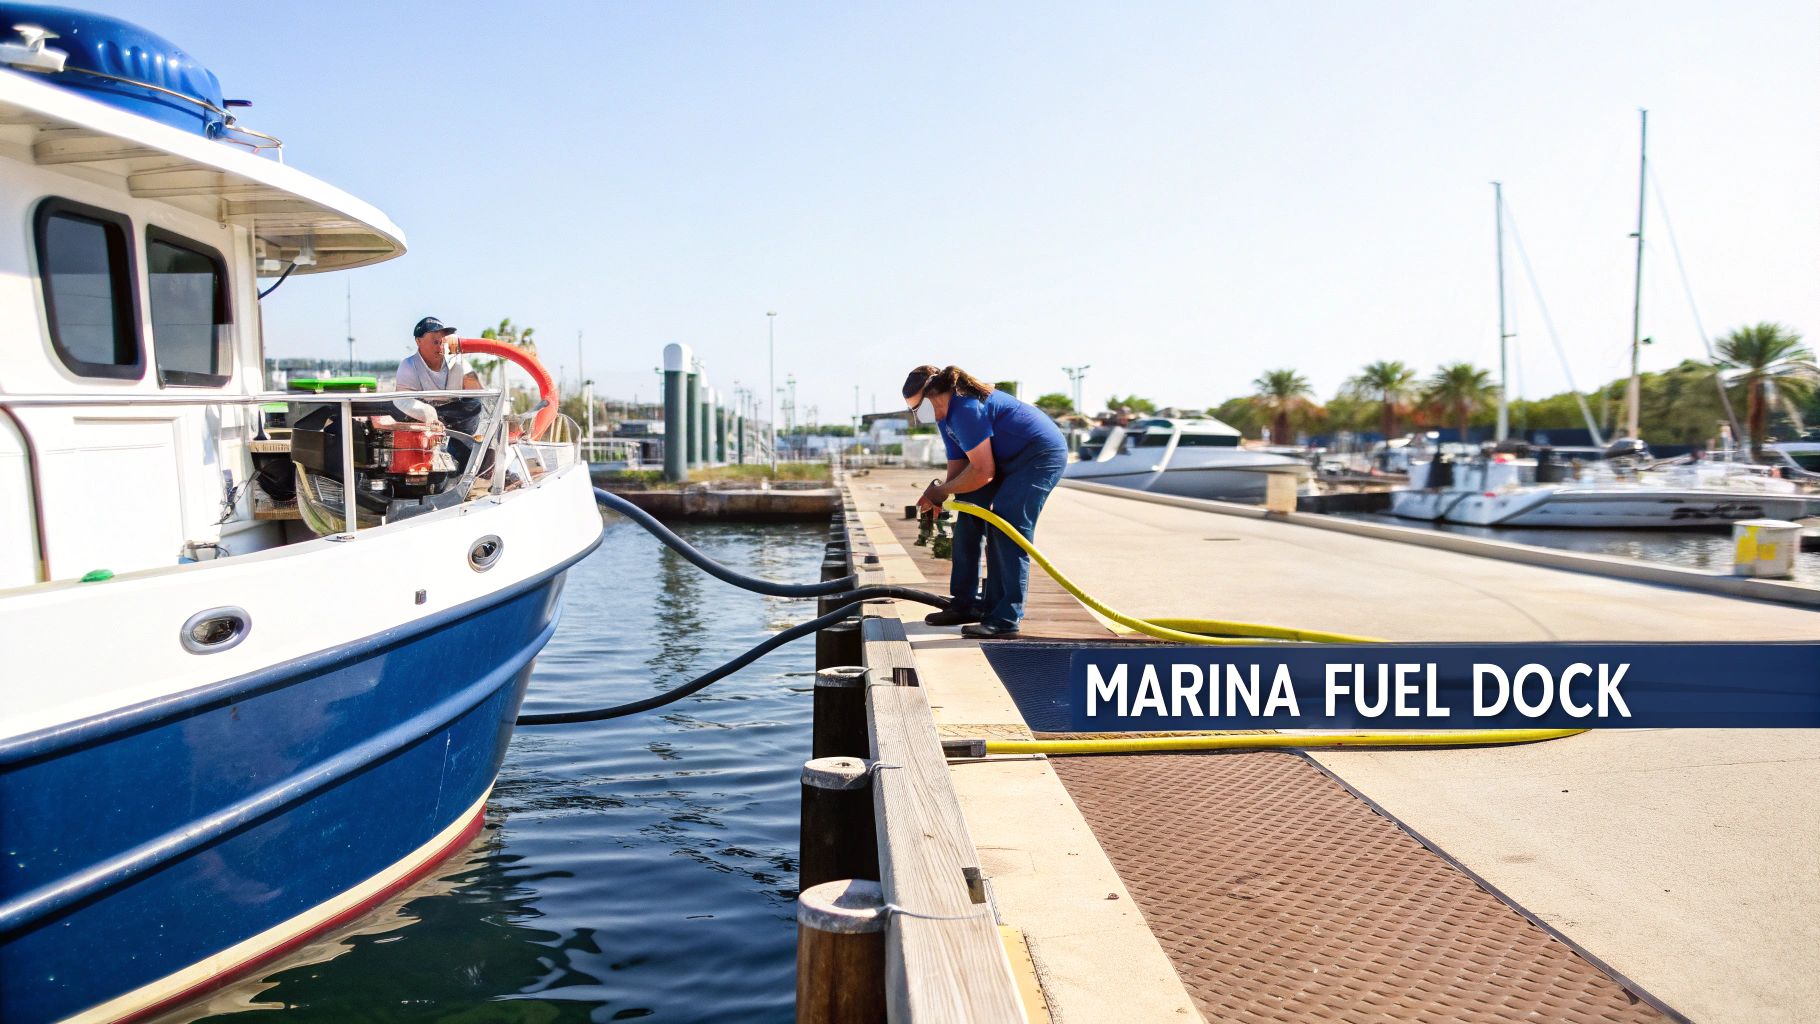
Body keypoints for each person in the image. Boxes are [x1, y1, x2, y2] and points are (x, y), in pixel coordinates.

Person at [904, 364, 1069, 639]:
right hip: (1001, 458)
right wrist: (942, 494)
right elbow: (958, 466)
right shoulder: (945, 417)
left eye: (917, 408)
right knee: (968, 516)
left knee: (1006, 525)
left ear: (934, 395)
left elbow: (984, 471)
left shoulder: (966, 407)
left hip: (1038, 455)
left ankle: (1005, 617)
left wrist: (942, 491)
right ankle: (966, 604)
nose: (917, 416)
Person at [396, 317, 480, 393]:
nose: (440, 347)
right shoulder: (408, 366)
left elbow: (477, 396)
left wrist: (468, 379)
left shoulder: (458, 362)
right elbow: (403, 403)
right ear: (418, 341)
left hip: (455, 407)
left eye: (442, 342)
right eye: (435, 342)